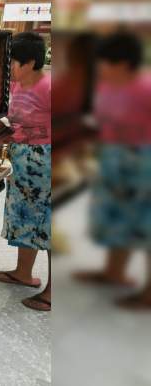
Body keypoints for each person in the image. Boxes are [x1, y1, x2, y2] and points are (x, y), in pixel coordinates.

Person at [74, 32, 151, 310]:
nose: (100, 68)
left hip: (143, 163)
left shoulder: (146, 88)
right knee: (116, 220)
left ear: (123, 64)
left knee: (145, 227)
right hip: (114, 159)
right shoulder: (107, 87)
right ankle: (113, 272)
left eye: (105, 62)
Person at [0, 32, 52, 312]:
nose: (8, 68)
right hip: (22, 164)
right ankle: (23, 273)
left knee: (50, 226)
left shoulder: (51, 88)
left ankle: (54, 293)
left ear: (29, 63)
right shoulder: (14, 85)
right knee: (27, 219)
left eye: (12, 62)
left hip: (46, 165)